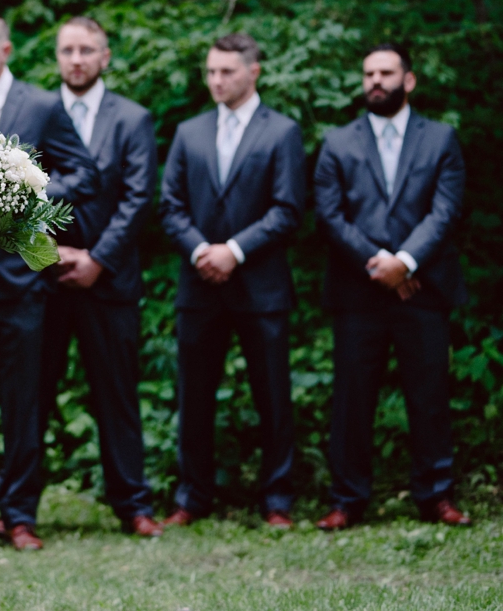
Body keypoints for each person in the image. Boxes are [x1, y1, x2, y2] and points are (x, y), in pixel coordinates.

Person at [0, 6, 97, 550]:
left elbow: (83, 171)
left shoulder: (41, 104)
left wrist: (23, 198)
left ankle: (18, 515)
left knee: (24, 399)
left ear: (4, 50)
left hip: (19, 283)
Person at [314, 41, 469, 531]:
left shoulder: (441, 138)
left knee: (429, 395)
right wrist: (377, 262)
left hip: (422, 289)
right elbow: (330, 215)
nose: (375, 81)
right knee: (353, 399)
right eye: (368, 74)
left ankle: (436, 495)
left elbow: (445, 211)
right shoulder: (337, 142)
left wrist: (405, 261)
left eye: (385, 72)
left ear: (409, 79)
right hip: (358, 291)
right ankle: (348, 499)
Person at [159, 32, 306, 529]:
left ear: (254, 72)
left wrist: (234, 251)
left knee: (273, 396)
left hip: (260, 287)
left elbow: (288, 210)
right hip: (199, 286)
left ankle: (278, 499)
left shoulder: (282, 131)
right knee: (195, 396)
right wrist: (203, 250)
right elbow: (171, 206)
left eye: (226, 71)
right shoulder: (189, 131)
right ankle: (192, 496)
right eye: (211, 71)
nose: (216, 80)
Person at [41, 16, 159, 537]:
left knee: (117, 394)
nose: (77, 59)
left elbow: (138, 199)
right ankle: (19, 510)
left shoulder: (132, 119)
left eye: (87, 49)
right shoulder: (38, 113)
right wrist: (51, 253)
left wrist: (97, 259)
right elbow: (21, 193)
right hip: (46, 279)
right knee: (32, 396)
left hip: (109, 282)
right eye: (68, 50)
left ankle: (132, 504)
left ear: (105, 56)